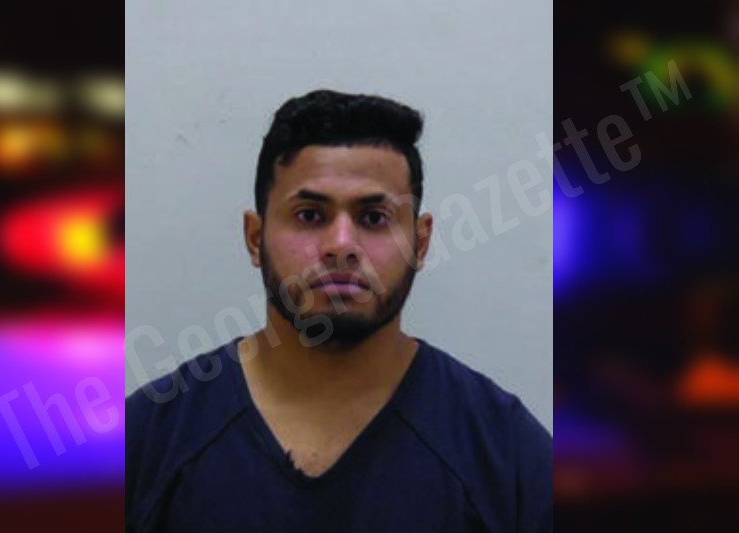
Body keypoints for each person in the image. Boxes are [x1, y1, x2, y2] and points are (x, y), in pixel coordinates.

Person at [126, 89, 552, 532]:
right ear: (255, 237)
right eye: (310, 215)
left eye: (374, 218)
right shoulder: (147, 442)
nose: (341, 246)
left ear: (420, 243)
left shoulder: (508, 457)